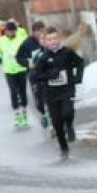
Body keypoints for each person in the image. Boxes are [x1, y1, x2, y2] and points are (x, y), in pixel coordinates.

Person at [30, 26, 85, 160]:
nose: (52, 42)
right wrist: (49, 75)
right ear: (45, 42)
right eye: (49, 39)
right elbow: (34, 77)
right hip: (51, 93)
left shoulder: (67, 52)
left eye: (55, 38)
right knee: (57, 123)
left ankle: (70, 125)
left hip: (67, 89)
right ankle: (63, 147)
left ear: (59, 39)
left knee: (67, 112)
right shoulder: (44, 58)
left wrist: (78, 77)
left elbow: (80, 63)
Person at [0, 19, 30, 128]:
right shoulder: (1, 40)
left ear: (15, 31)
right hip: (9, 70)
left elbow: (27, 51)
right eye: (8, 31)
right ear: (5, 31)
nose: (10, 33)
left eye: (12, 31)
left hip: (21, 69)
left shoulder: (21, 39)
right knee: (13, 91)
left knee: (22, 91)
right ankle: (17, 115)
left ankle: (24, 112)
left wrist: (27, 60)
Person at [16, 20, 49, 130]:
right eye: (39, 31)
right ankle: (43, 114)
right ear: (34, 32)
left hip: (48, 73)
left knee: (50, 96)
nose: (41, 33)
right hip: (34, 75)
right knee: (39, 100)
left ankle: (53, 118)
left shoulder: (48, 40)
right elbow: (18, 57)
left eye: (43, 31)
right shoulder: (27, 43)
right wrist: (27, 62)